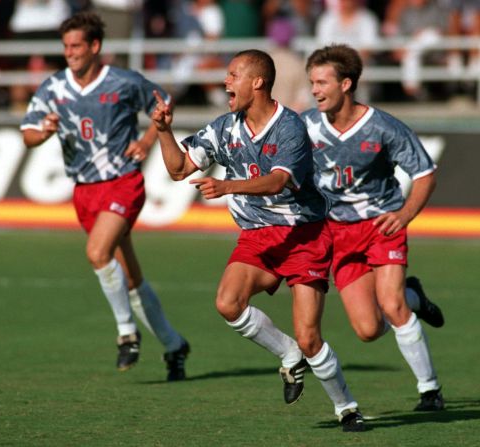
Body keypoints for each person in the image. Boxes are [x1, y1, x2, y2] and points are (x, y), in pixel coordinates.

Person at [151, 48, 365, 432]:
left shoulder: (291, 127)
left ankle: (346, 407)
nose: (225, 82)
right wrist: (165, 131)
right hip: (256, 235)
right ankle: (288, 354)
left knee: (310, 335)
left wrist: (227, 185)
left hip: (304, 235)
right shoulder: (224, 127)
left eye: (233, 75)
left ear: (258, 82)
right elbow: (179, 169)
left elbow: (279, 180)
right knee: (227, 303)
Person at [20, 11, 190, 381]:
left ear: (95, 46)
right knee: (130, 279)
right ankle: (175, 345)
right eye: (66, 46)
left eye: (77, 46)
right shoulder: (53, 88)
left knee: (97, 253)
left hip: (122, 182)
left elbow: (163, 102)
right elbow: (28, 134)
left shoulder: (123, 81)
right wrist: (45, 131)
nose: (70, 53)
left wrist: (147, 140)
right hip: (84, 190)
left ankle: (127, 333)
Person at [301, 44, 445, 411]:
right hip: (339, 233)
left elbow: (425, 173)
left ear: (346, 84)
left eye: (322, 82)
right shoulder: (305, 126)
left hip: (382, 225)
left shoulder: (383, 127)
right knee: (367, 330)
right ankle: (415, 296)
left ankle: (430, 391)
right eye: (312, 82)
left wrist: (406, 214)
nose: (315, 90)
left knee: (392, 306)